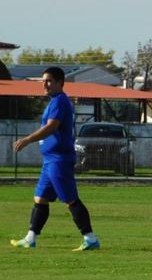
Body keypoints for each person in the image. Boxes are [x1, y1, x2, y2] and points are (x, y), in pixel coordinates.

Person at [10, 67, 100, 251]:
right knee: (40, 198)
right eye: (43, 81)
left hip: (59, 159)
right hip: (50, 160)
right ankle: (30, 239)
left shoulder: (60, 101)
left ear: (60, 83)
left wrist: (28, 139)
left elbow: (52, 126)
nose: (45, 84)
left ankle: (90, 238)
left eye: (49, 81)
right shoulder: (54, 101)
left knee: (70, 199)